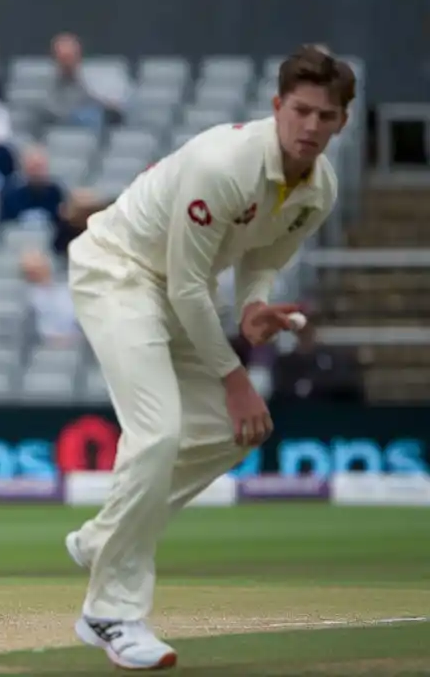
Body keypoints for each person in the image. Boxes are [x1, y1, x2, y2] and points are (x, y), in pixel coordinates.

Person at [62, 46, 352, 670]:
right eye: (300, 111)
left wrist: (254, 304)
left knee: (233, 430)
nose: (310, 127)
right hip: (117, 271)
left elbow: (264, 256)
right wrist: (236, 375)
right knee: (160, 432)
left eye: (325, 116)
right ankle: (111, 613)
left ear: (342, 123)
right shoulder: (225, 163)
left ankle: (105, 538)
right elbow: (190, 286)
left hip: (174, 289)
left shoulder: (319, 188)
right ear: (278, 107)